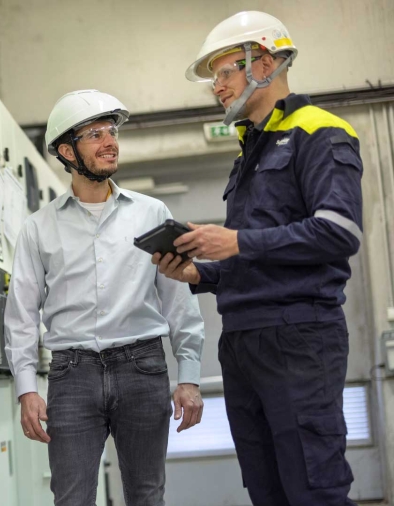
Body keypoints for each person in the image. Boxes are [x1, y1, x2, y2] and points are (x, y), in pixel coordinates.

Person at [154, 11, 363, 506]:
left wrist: (237, 242)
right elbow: (253, 254)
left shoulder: (319, 131)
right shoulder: (250, 147)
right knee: (268, 491)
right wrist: (197, 273)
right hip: (244, 341)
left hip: (298, 338)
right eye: (214, 79)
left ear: (265, 63)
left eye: (225, 71)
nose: (217, 87)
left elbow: (339, 231)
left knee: (314, 488)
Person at [4, 89, 205, 506]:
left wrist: (188, 375)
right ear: (67, 151)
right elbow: (21, 314)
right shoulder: (38, 228)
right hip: (71, 375)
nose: (110, 141)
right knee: (72, 498)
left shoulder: (151, 213)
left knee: (147, 495)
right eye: (95, 134)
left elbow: (178, 299)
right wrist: (26, 389)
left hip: (142, 368)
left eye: (111, 130)